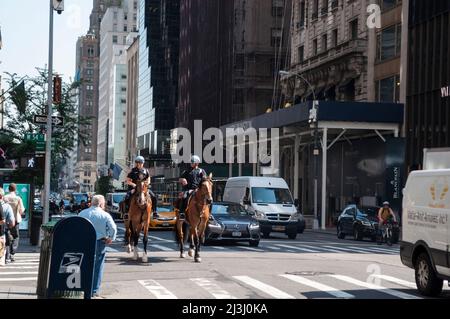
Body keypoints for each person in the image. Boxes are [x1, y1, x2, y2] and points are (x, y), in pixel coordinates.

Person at [79, 195, 117, 298]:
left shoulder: (82, 213)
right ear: (101, 203)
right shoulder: (105, 215)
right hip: (100, 241)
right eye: (103, 203)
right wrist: (111, 238)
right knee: (98, 266)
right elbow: (113, 228)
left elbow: (78, 227)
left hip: (85, 242)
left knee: (84, 264)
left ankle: (83, 287)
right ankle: (94, 290)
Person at [178, 155, 208, 219]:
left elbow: (205, 180)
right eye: (191, 162)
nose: (191, 163)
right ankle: (182, 213)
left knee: (209, 199)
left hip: (199, 189)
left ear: (197, 163)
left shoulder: (201, 171)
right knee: (184, 197)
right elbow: (180, 179)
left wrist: (205, 179)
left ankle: (209, 214)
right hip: (189, 189)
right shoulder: (186, 171)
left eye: (192, 162)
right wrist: (183, 179)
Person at [4, 184, 25, 261]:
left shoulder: (5, 197)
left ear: (8, 189)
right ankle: (12, 253)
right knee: (15, 236)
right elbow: (22, 210)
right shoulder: (18, 198)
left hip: (6, 221)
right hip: (15, 220)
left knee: (6, 236)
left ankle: (7, 254)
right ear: (15, 189)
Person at [0, 188, 15, 264]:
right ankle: (7, 257)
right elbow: (12, 222)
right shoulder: (7, 207)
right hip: (2, 230)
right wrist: (9, 226)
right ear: (2, 196)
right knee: (4, 244)